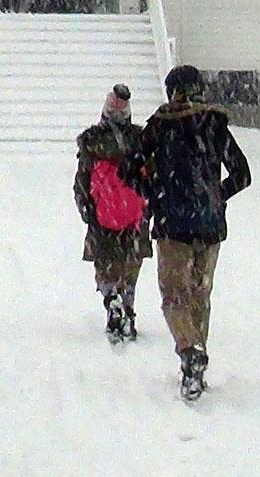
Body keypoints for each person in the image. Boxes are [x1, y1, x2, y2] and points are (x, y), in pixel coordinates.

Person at [128, 65, 251, 400]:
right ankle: (198, 357)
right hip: (210, 227)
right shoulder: (215, 124)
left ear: (172, 91)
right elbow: (242, 174)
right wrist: (215, 197)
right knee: (200, 293)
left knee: (173, 295)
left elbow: (131, 170)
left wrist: (156, 192)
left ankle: (189, 352)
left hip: (173, 225)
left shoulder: (160, 126)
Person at [74, 84, 152, 344]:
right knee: (130, 267)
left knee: (105, 267)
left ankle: (111, 300)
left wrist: (89, 212)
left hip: (102, 216)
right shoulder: (140, 139)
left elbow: (82, 181)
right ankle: (127, 305)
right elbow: (151, 178)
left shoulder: (92, 141)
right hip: (134, 217)